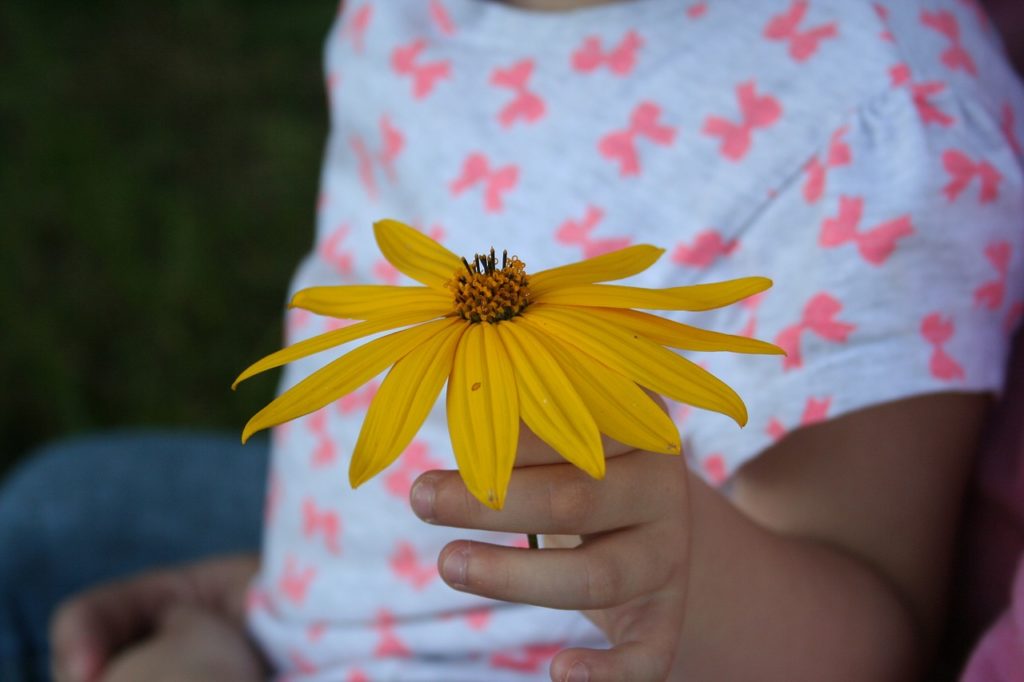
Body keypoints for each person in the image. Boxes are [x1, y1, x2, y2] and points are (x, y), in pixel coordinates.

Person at [5, 0, 1023, 680]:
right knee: (59, 507)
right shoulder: (407, 17)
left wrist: (678, 566)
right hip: (308, 600)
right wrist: (256, 607)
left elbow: (872, 634)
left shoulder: (878, 124)